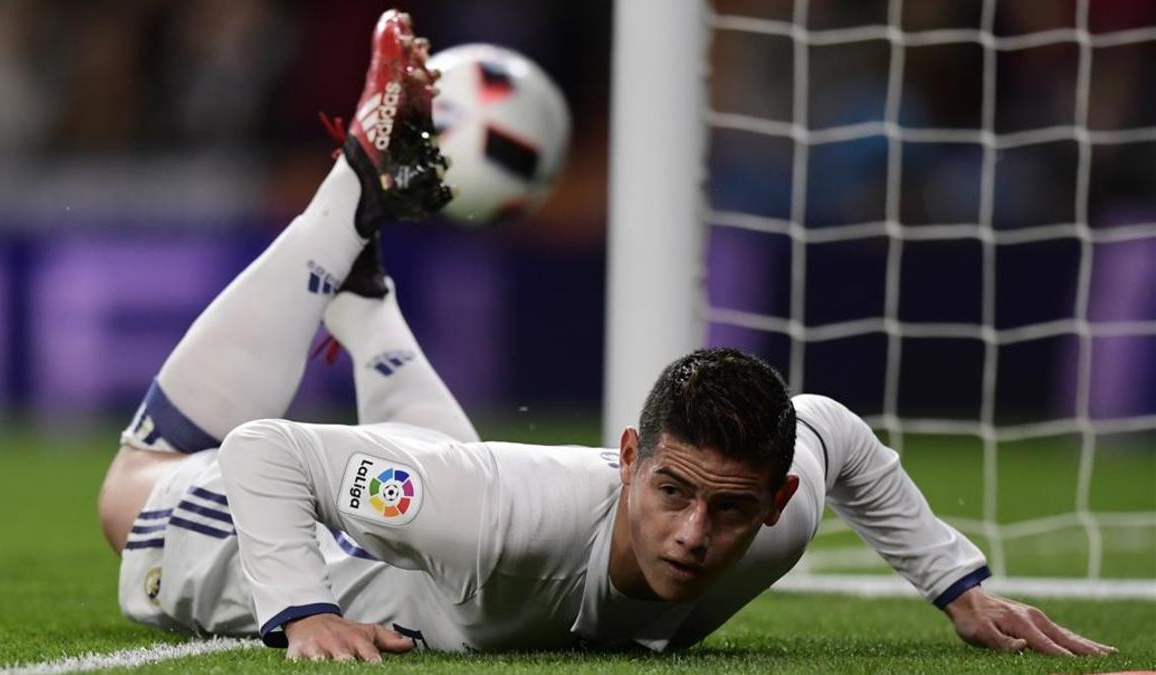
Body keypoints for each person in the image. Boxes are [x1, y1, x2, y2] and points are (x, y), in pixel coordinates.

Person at [97, 9, 1114, 663]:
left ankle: (363, 293)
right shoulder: (506, 514)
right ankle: (348, 198)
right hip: (295, 540)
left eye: (728, 509)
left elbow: (835, 431)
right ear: (627, 459)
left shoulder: (778, 521)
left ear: (776, 502)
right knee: (131, 492)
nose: (692, 536)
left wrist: (957, 584)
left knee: (447, 494)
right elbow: (270, 455)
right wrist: (299, 615)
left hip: (432, 541)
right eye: (672, 491)